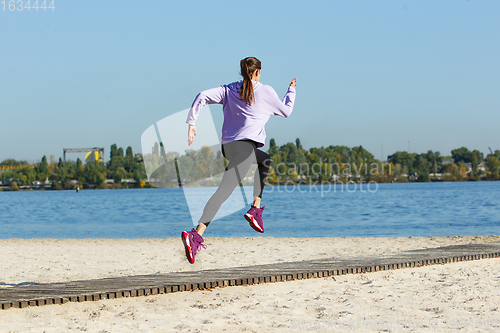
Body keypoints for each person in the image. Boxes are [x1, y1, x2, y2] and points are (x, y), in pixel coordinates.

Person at [181, 57, 296, 263]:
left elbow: (202, 96)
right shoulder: (266, 91)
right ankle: (196, 234)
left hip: (230, 149)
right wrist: (291, 91)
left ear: (243, 72)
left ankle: (255, 208)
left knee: (264, 160)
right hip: (244, 149)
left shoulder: (229, 89)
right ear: (258, 72)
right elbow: (286, 111)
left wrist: (192, 123)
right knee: (223, 193)